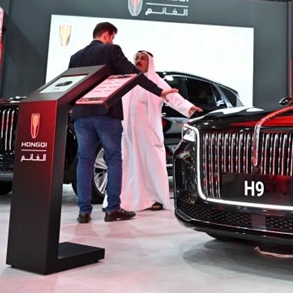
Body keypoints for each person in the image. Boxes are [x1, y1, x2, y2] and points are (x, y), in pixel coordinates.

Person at [69, 22, 177, 223]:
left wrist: (71, 108)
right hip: (106, 113)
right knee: (114, 158)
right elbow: (135, 75)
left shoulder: (75, 57)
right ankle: (113, 209)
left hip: (81, 115)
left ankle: (84, 212)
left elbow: (71, 86)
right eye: (113, 37)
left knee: (84, 161)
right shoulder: (111, 50)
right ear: (108, 35)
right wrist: (159, 91)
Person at [109, 50, 201, 212]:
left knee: (153, 164)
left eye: (142, 58)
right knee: (129, 165)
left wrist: (188, 107)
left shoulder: (156, 81)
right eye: (136, 58)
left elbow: (172, 97)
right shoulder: (128, 80)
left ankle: (155, 199)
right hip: (128, 133)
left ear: (150, 62)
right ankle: (126, 199)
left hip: (149, 133)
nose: (138, 60)